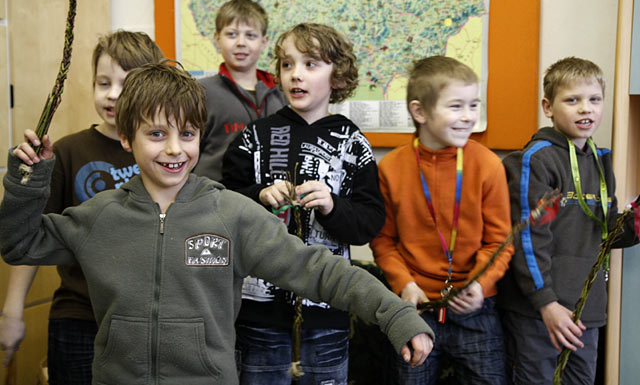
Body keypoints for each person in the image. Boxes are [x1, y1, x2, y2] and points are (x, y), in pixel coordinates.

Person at [0, 62, 434, 385]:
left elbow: (319, 270)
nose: (175, 149)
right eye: (157, 134)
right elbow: (19, 244)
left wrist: (395, 314)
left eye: (187, 134)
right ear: (127, 138)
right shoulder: (100, 216)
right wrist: (27, 182)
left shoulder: (232, 214)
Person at [221, 22, 385, 384]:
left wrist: (332, 206)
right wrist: (259, 196)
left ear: (337, 76)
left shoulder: (352, 142)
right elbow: (222, 205)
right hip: (259, 316)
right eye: (287, 64)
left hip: (328, 313)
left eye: (310, 64)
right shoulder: (254, 137)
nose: (296, 74)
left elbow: (370, 222)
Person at [0, 30, 164, 384]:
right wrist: (12, 310)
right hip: (78, 318)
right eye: (103, 83)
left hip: (144, 320)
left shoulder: (163, 155)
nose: (112, 94)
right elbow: (32, 237)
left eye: (126, 84)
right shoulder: (66, 151)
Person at [497, 56, 640, 384]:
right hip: (538, 312)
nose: (585, 109)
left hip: (585, 313)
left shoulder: (601, 161)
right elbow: (529, 239)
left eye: (594, 99)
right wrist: (546, 303)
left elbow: (608, 232)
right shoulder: (537, 160)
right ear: (548, 107)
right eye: (572, 100)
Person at [370, 56, 513, 384]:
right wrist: (405, 284)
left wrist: (480, 285)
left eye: (474, 105)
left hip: (475, 308)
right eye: (456, 106)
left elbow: (500, 241)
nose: (469, 116)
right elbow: (382, 241)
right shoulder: (390, 168)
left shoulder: (488, 165)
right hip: (415, 307)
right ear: (420, 112)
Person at [192, 0, 286, 182]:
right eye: (232, 34)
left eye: (250, 35)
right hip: (214, 194)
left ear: (264, 41)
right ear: (217, 39)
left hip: (269, 196)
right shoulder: (200, 92)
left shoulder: (281, 93)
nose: (241, 42)